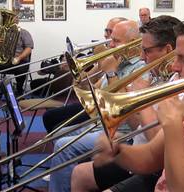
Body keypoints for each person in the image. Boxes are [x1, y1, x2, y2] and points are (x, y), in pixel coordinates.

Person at [88, 11, 184, 192]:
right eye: (176, 57)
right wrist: (117, 151)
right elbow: (152, 156)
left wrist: (173, 124)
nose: (174, 66)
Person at [71, 15, 181, 192]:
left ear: (167, 50)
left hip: (149, 161)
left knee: (70, 153)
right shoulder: (158, 76)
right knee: (79, 169)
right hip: (135, 144)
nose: (142, 57)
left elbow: (154, 140)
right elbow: (99, 94)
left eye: (146, 51)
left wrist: (140, 97)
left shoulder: (172, 83)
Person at [48, 20, 146, 192]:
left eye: (116, 41)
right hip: (99, 121)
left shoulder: (140, 68)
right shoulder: (118, 62)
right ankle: (64, 174)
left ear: (132, 43)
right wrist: (89, 72)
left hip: (120, 130)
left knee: (62, 145)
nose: (110, 44)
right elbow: (89, 91)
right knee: (58, 133)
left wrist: (110, 72)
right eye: (111, 38)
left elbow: (124, 108)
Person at [42, 17, 127, 133]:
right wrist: (78, 69)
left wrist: (108, 68)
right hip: (93, 105)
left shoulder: (120, 62)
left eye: (109, 32)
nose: (105, 35)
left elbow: (114, 100)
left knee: (55, 123)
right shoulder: (108, 58)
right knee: (49, 117)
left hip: (104, 111)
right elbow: (85, 86)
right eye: (105, 31)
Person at [0, 13, 34, 96]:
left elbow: (29, 48)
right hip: (4, 60)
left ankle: (19, 90)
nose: (14, 20)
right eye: (11, 18)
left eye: (15, 18)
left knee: (22, 68)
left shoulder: (24, 33)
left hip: (18, 60)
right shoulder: (1, 33)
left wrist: (19, 58)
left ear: (18, 21)